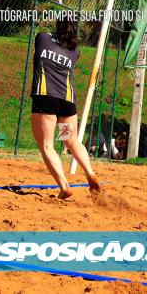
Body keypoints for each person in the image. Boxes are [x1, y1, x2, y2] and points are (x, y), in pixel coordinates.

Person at [29, 14, 100, 199]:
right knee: (70, 141)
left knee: (46, 145)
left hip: (46, 99)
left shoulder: (43, 37)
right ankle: (90, 172)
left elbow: (43, 42)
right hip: (67, 103)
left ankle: (64, 186)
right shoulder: (74, 50)